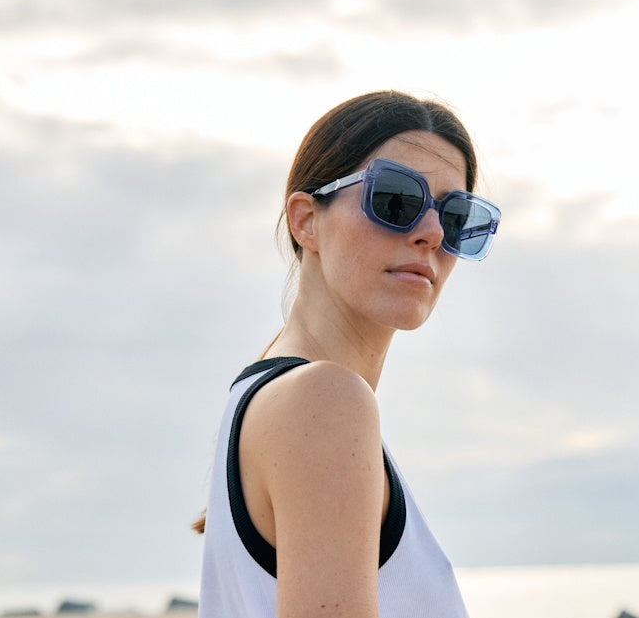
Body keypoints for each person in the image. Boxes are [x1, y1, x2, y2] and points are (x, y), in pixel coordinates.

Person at [196, 90, 500, 618]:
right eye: (396, 200)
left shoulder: (266, 400)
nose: (432, 234)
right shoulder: (324, 402)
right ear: (306, 220)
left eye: (456, 218)